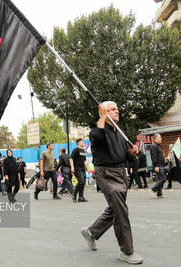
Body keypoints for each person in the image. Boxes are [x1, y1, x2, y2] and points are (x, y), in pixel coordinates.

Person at [81, 101, 143, 264]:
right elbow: (97, 137)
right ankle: (126, 251)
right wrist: (101, 117)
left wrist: (131, 153)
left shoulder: (119, 132)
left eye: (117, 108)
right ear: (104, 112)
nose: (118, 111)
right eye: (113, 109)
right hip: (106, 174)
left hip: (121, 173)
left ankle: (91, 232)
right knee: (121, 211)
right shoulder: (97, 129)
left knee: (116, 209)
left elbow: (124, 155)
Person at [71, 138, 90, 202]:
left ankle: (81, 197)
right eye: (81, 141)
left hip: (82, 169)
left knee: (83, 182)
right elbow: (71, 159)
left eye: (83, 141)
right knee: (81, 181)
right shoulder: (76, 150)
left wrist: (87, 168)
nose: (83, 142)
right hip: (77, 168)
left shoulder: (83, 151)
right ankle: (74, 194)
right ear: (78, 143)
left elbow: (84, 161)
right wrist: (72, 167)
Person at [149, 133, 167, 198]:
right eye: (160, 137)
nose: (161, 138)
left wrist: (164, 163)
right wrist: (156, 166)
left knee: (160, 178)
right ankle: (153, 189)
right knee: (163, 178)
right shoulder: (154, 146)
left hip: (161, 165)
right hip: (158, 165)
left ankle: (159, 193)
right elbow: (154, 157)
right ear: (156, 138)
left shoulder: (157, 146)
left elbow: (159, 156)